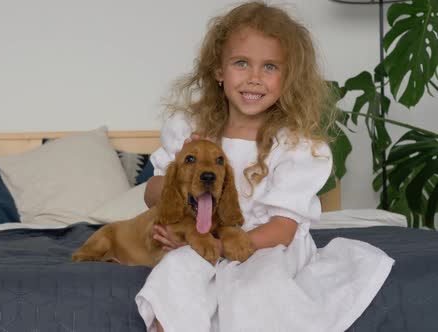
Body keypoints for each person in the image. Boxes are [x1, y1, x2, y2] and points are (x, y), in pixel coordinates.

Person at [135, 2, 394, 332]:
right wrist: (178, 171)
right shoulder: (191, 132)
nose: (254, 78)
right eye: (241, 63)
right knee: (174, 277)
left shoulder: (295, 147)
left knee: (256, 288)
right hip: (205, 240)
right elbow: (151, 195)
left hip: (268, 245)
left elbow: (282, 229)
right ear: (218, 70)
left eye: (270, 67)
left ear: (288, 77)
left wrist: (217, 247)